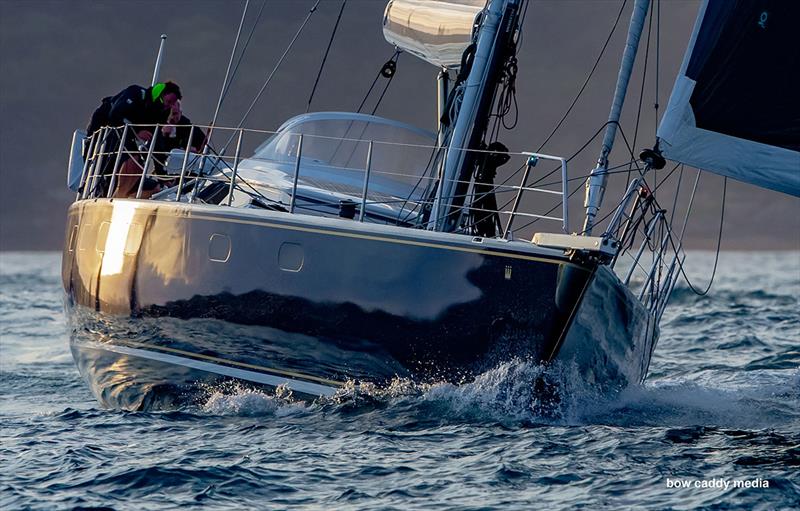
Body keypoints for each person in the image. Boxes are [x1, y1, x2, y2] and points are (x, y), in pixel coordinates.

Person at [85, 81, 183, 198]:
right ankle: (102, 187)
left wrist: (162, 175)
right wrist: (137, 132)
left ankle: (120, 192)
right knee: (127, 154)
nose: (170, 106)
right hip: (106, 128)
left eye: (173, 104)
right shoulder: (135, 93)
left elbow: (156, 141)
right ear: (161, 94)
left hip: (126, 135)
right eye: (169, 101)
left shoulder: (161, 112)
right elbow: (116, 115)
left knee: (138, 162)